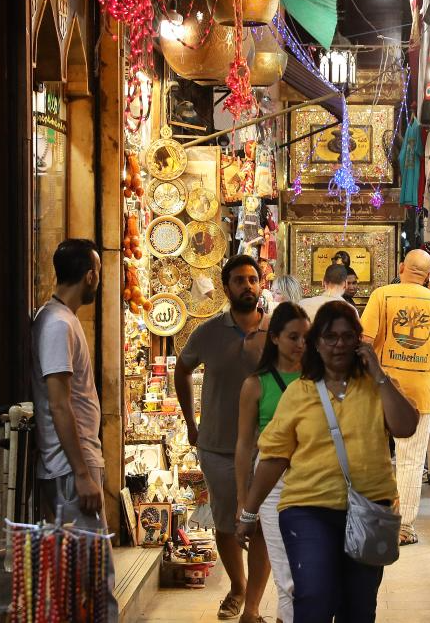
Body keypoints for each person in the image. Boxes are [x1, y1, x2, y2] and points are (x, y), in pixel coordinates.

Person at [235, 302, 418, 623]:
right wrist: (249, 512)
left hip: (368, 510)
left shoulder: (378, 387)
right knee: (315, 597)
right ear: (316, 342)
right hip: (309, 510)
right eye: (330, 336)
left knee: (359, 608)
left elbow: (406, 427)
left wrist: (378, 373)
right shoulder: (299, 393)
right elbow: (273, 459)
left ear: (360, 341)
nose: (339, 344)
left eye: (348, 336)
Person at [174, 254, 271, 623]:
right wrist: (190, 422)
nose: (247, 285)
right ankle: (237, 586)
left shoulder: (276, 330)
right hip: (217, 445)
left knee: (260, 525)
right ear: (226, 286)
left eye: (252, 279)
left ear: (260, 284)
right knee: (226, 523)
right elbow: (182, 370)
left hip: (267, 449)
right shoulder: (209, 331)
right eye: (239, 280)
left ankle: (253, 607)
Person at [30, 238, 118, 618]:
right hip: (69, 467)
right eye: (97, 272)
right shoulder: (56, 324)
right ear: (90, 275)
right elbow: (59, 402)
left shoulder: (59, 319)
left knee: (85, 576)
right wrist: (82, 473)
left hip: (72, 463)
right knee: (96, 578)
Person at [360, 249, 430, 545]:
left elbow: (363, 341)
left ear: (401, 267)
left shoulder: (382, 295)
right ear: (429, 276)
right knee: (411, 461)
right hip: (419, 393)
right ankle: (404, 527)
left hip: (380, 389)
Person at [235, 303, 310, 623]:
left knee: (308, 575)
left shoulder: (317, 379)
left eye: (306, 337)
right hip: (272, 483)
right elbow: (244, 444)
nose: (301, 344)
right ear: (275, 338)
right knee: (288, 578)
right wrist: (243, 501)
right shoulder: (256, 384)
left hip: (313, 479)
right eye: (293, 337)